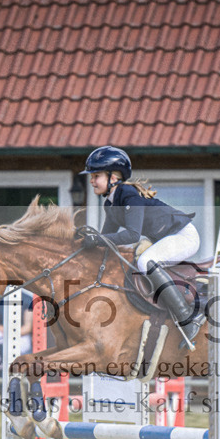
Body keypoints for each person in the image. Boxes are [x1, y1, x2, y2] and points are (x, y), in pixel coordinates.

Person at [79, 146, 205, 350]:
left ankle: (188, 317)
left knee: (145, 261)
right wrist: (86, 244)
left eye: (96, 175)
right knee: (141, 260)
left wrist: (97, 239)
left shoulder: (128, 195)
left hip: (184, 236)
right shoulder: (111, 205)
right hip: (168, 237)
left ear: (113, 177)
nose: (92, 180)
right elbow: (107, 243)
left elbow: (131, 235)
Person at [0, 291, 33, 401]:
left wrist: (10, 332)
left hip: (20, 337)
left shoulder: (28, 298)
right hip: (1, 338)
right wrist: (9, 332)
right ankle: (13, 387)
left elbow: (27, 328)